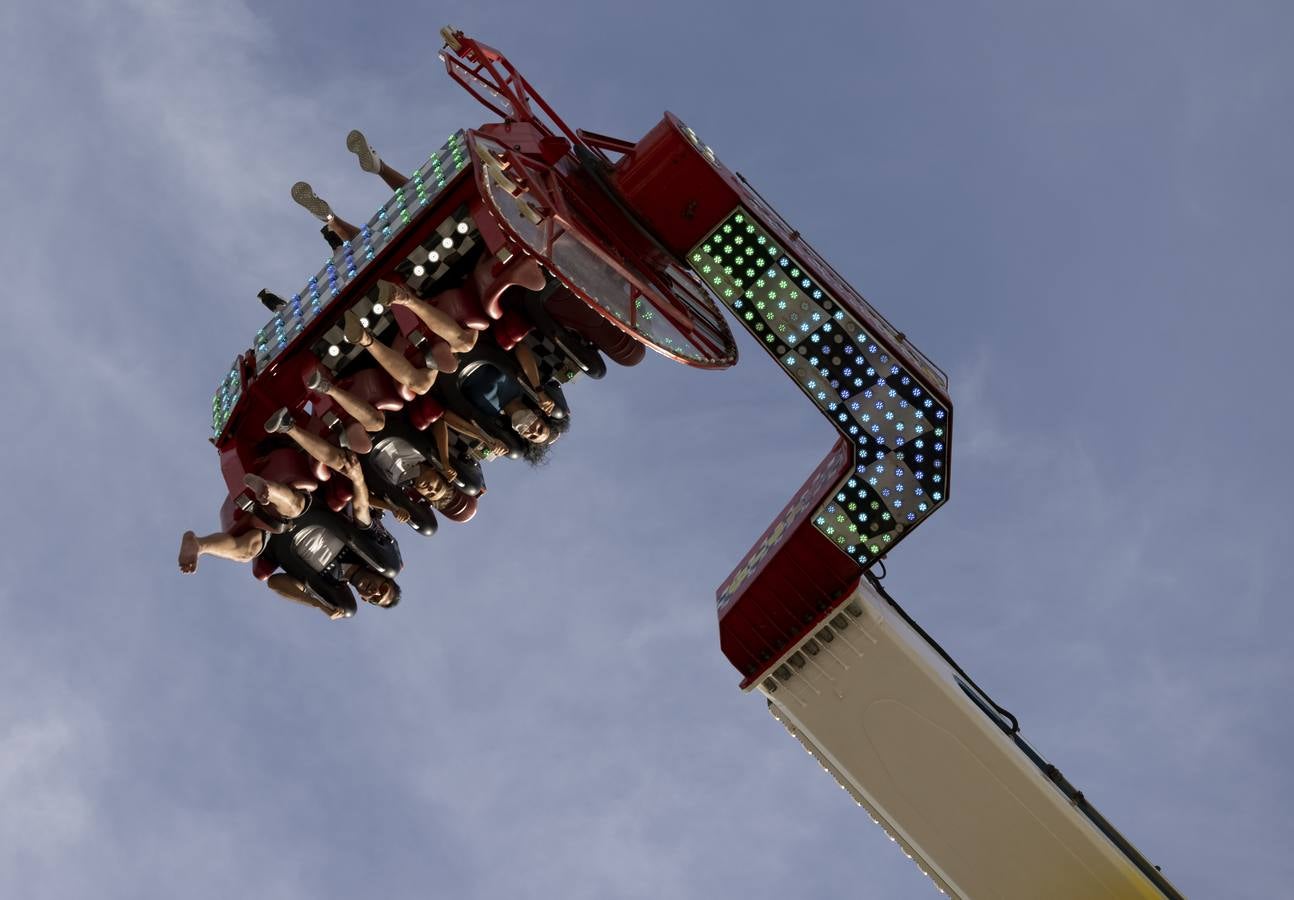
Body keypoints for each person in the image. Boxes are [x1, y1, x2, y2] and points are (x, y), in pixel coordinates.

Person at [177, 475, 400, 619]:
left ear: (364, 599)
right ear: (381, 576)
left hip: (274, 537)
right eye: (383, 588)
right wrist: (358, 479)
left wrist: (317, 603)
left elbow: (275, 582)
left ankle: (198, 544)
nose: (375, 591)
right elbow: (361, 511)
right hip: (305, 512)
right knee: (292, 508)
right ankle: (267, 490)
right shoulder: (363, 551)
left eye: (376, 598)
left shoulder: (330, 585)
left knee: (245, 552)